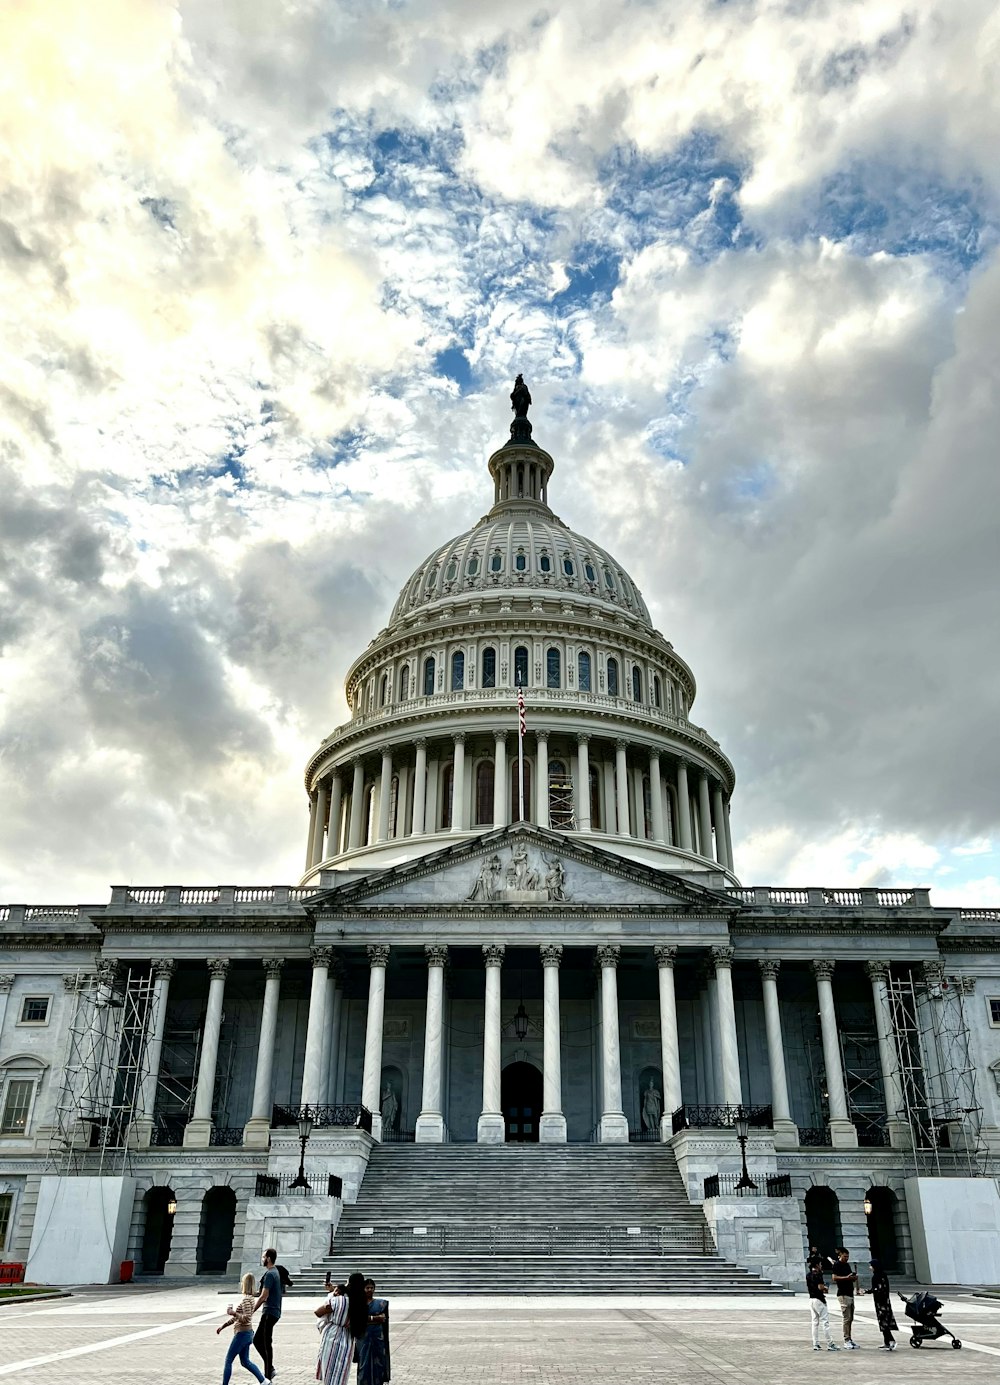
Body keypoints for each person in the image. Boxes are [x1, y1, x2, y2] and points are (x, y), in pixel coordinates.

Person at [315, 1273, 368, 1385]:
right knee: (341, 1374)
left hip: (332, 1336)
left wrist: (331, 1295)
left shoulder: (338, 1300)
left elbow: (318, 1312)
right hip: (348, 1339)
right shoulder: (361, 1304)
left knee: (329, 1372)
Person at [216, 1271, 269, 1384]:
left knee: (228, 1360)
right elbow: (240, 1318)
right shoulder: (250, 1299)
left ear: (244, 1284)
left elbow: (246, 1318)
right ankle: (264, 1381)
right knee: (245, 1361)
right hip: (248, 1333)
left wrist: (233, 1313)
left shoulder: (246, 1300)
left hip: (242, 1334)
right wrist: (223, 1326)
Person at [253, 1248, 283, 1381]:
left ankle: (267, 1375)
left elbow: (264, 1295)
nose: (262, 1259)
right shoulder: (274, 1272)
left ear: (269, 1258)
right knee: (258, 1340)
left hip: (270, 1311)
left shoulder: (271, 1274)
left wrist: (252, 1310)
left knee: (265, 1343)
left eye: (263, 1257)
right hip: (272, 1311)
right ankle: (269, 1368)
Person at [357, 1277, 390, 1385]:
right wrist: (374, 1318)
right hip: (363, 1337)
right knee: (364, 1362)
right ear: (363, 1289)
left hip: (377, 1336)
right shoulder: (359, 1304)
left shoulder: (381, 1304)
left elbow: (383, 1318)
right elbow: (359, 1319)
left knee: (379, 1361)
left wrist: (369, 1319)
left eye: (372, 1288)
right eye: (367, 1288)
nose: (370, 1290)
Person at [831, 1247, 863, 1348]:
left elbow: (849, 1277)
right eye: (845, 1256)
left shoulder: (847, 1265)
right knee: (847, 1318)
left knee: (850, 1318)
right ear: (840, 1256)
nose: (847, 1258)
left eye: (848, 1256)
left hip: (850, 1292)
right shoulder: (837, 1265)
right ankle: (846, 1340)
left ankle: (849, 1338)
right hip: (843, 1294)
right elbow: (834, 1277)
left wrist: (853, 1278)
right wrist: (846, 1278)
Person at [805, 1257, 839, 1351]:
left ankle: (815, 1343)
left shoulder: (808, 1275)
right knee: (825, 1322)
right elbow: (820, 1287)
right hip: (819, 1299)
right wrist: (825, 1288)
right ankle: (829, 1343)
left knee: (815, 1322)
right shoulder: (818, 1274)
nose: (821, 1266)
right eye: (820, 1264)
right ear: (817, 1265)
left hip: (811, 1299)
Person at [869, 1259, 898, 1349]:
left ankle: (891, 1340)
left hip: (881, 1303)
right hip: (884, 1302)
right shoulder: (882, 1275)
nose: (870, 1268)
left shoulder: (877, 1276)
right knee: (883, 1322)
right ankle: (886, 1342)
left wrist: (871, 1291)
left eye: (871, 1266)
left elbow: (879, 1289)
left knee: (884, 1322)